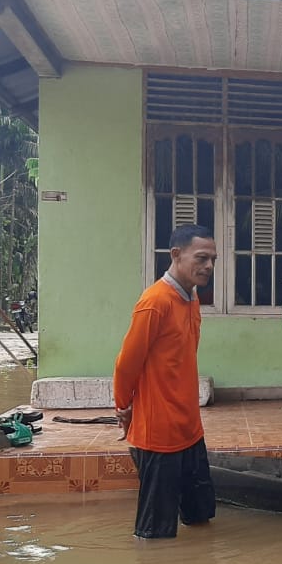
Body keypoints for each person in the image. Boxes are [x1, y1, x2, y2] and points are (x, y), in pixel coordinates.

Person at [113, 224, 218, 539]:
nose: (209, 266)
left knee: (200, 517)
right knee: (155, 534)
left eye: (213, 259)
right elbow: (126, 364)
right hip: (159, 434)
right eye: (201, 258)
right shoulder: (154, 302)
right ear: (176, 254)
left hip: (190, 427)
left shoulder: (191, 299)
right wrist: (123, 407)